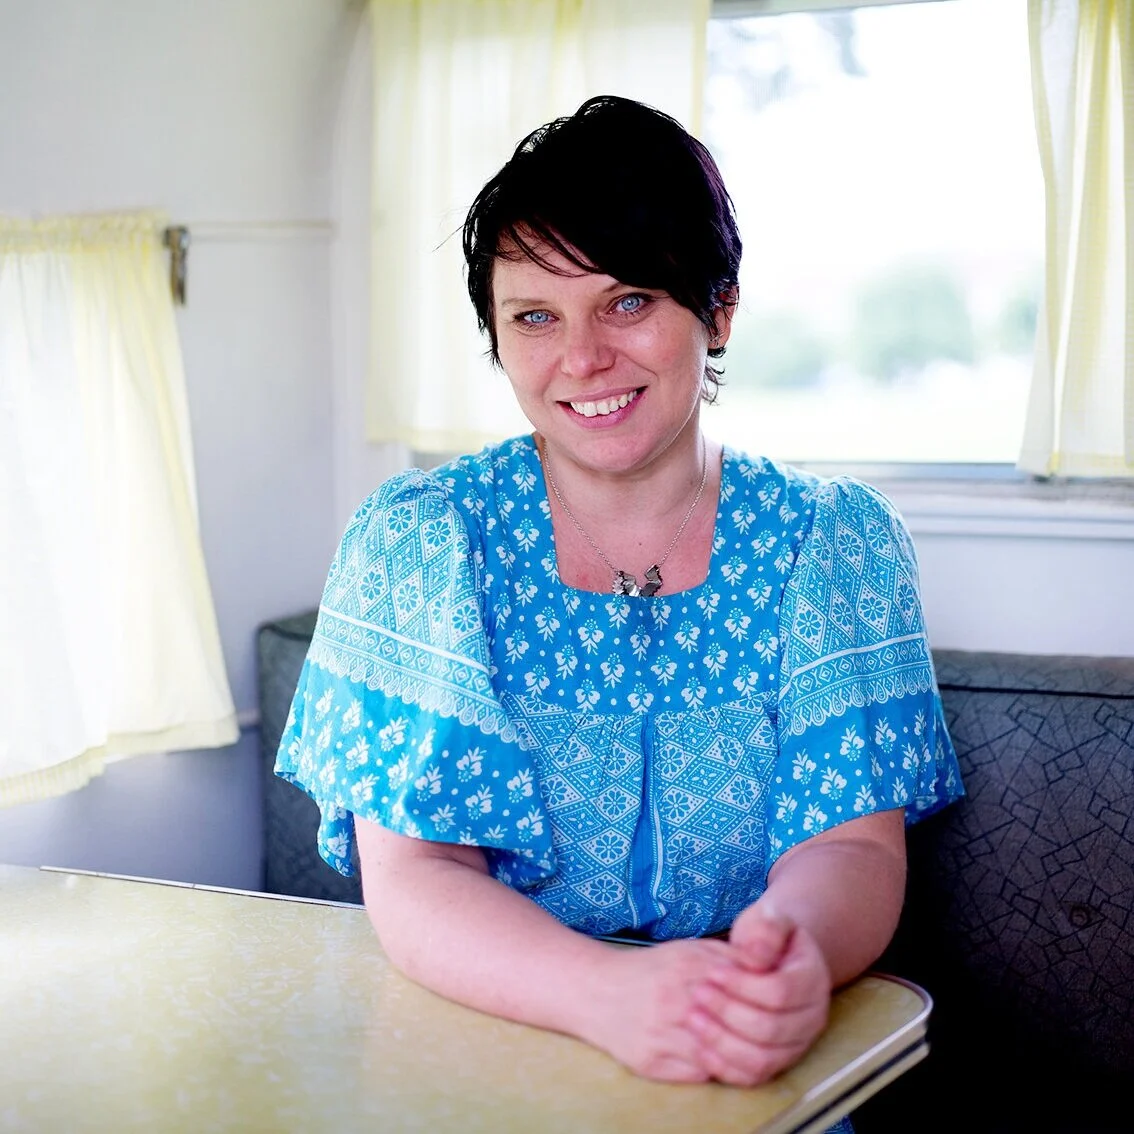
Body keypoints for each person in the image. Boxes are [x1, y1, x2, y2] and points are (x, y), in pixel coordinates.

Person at [275, 94, 964, 1120]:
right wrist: (609, 995)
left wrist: (779, 966)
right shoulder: (422, 541)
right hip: (487, 1039)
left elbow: (852, 849)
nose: (583, 358)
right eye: (535, 317)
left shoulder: (832, 541)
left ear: (718, 311)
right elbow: (416, 873)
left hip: (738, 1045)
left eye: (629, 301)